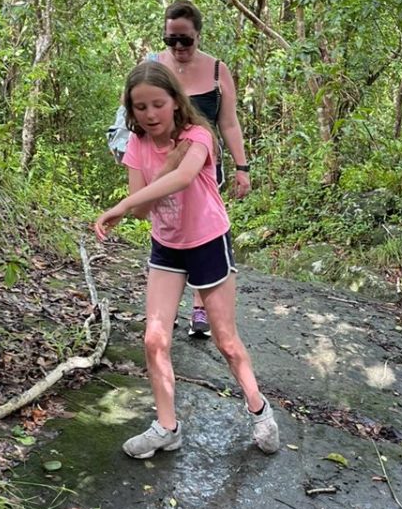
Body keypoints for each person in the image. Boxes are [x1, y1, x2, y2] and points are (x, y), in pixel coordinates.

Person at [93, 61, 279, 459]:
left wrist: (124, 203)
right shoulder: (138, 146)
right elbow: (146, 210)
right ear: (130, 111)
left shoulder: (199, 134)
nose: (150, 114)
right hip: (166, 246)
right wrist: (163, 167)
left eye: (157, 104)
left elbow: (183, 178)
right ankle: (167, 427)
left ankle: (260, 410)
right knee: (154, 338)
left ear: (176, 102)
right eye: (140, 107)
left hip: (208, 240)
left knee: (226, 341)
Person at [154, 0, 251, 339]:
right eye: (171, 40)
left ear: (198, 35)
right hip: (164, 165)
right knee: (167, 231)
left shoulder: (216, 70)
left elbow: (229, 123)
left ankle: (199, 307)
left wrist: (242, 167)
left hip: (206, 168)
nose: (178, 47)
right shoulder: (155, 67)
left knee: (202, 231)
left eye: (185, 40)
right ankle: (165, 307)